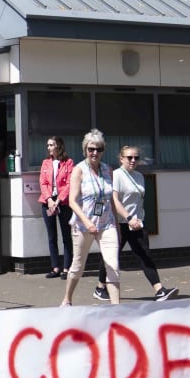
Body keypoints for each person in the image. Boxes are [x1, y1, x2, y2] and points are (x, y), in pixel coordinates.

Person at [95, 145, 177, 302]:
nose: (133, 160)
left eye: (136, 158)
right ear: (121, 159)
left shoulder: (139, 176)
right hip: (118, 224)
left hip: (136, 224)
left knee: (145, 255)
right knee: (111, 257)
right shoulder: (116, 175)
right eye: (129, 157)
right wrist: (128, 218)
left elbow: (138, 201)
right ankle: (100, 287)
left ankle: (159, 290)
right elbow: (114, 201)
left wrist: (138, 219)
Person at [61, 129, 129, 307]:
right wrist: (86, 221)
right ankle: (67, 299)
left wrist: (117, 224)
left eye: (99, 149)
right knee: (77, 267)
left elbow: (112, 201)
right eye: (91, 149)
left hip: (107, 224)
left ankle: (116, 308)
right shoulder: (79, 170)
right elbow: (72, 201)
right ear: (85, 149)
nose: (95, 153)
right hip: (84, 226)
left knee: (113, 266)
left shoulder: (108, 170)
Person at [38, 136, 72, 278]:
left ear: (59, 146)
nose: (49, 148)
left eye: (51, 145)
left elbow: (70, 183)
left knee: (66, 235)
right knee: (52, 236)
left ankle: (67, 268)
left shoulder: (68, 162)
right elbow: (43, 182)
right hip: (48, 202)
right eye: (48, 145)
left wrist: (58, 200)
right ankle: (55, 267)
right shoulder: (46, 162)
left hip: (63, 203)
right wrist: (49, 200)